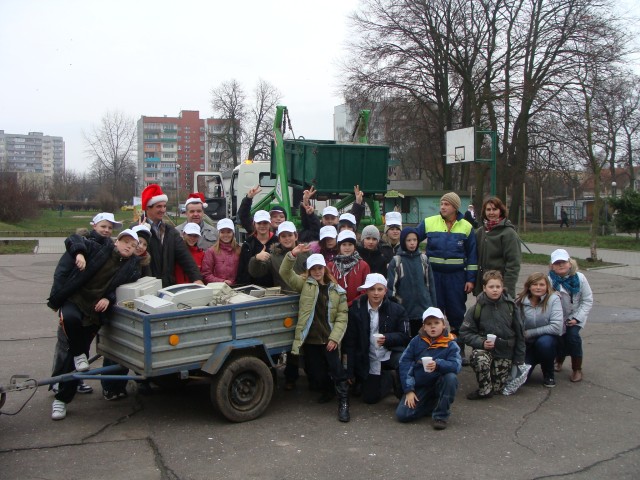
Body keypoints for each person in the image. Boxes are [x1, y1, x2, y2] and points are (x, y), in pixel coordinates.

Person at [46, 229, 141, 420]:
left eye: (132, 246)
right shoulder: (100, 249)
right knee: (71, 329)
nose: (128, 247)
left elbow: (123, 290)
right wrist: (79, 253)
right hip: (76, 299)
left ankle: (63, 396)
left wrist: (108, 297)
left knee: (73, 359)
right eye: (125, 242)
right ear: (116, 242)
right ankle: (62, 397)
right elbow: (73, 239)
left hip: (95, 312)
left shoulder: (133, 267)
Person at [49, 212, 124, 396]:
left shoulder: (110, 249)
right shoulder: (81, 244)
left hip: (90, 307)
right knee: (65, 345)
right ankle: (58, 381)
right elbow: (62, 272)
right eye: (103, 226)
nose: (106, 230)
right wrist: (60, 299)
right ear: (94, 226)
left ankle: (76, 381)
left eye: (109, 227)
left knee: (82, 345)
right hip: (73, 302)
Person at [279, 245, 350, 422]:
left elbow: (342, 317)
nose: (317, 271)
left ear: (324, 268)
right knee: (317, 373)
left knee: (337, 370)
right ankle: (327, 391)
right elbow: (285, 272)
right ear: (309, 270)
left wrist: (335, 338)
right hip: (311, 339)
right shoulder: (304, 285)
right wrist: (293, 254)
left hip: (328, 338)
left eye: (320, 268)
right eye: (313, 269)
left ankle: (343, 402)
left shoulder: (336, 290)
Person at [249, 220, 311, 390]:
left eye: (289, 235)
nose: (286, 239)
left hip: (303, 300)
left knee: (297, 341)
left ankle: (292, 376)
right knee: (277, 339)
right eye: (283, 236)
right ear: (279, 237)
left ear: (296, 236)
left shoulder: (306, 254)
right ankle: (273, 376)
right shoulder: (273, 254)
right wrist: (256, 259)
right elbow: (256, 272)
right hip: (282, 301)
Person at [416, 192, 477, 358]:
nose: (442, 207)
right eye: (441, 204)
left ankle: (458, 348)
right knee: (433, 312)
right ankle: (433, 347)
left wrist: (470, 279)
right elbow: (412, 239)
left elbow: (472, 256)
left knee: (456, 313)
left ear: (455, 207)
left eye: (446, 204)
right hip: (434, 276)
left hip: (456, 277)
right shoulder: (429, 222)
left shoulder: (466, 227)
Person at [343, 274, 410, 404]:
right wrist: (349, 371)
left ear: (385, 290)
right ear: (366, 291)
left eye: (379, 289)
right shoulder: (355, 311)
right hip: (369, 356)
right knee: (370, 399)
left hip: (390, 353)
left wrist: (387, 338)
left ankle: (402, 388)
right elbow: (350, 342)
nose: (375, 293)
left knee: (403, 360)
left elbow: (405, 335)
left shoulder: (397, 309)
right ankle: (388, 380)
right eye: (372, 289)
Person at [459, 270, 525, 400]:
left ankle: (493, 383)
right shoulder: (477, 308)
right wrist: (481, 342)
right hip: (485, 351)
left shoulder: (511, 306)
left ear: (502, 287)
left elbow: (520, 334)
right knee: (479, 358)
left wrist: (519, 359)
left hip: (505, 352)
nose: (495, 290)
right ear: (484, 288)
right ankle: (484, 390)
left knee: (498, 389)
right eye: (491, 287)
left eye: (498, 287)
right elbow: (464, 332)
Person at [395, 307, 461, 430]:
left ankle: (441, 415)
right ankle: (431, 404)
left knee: (451, 378)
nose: (433, 327)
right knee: (402, 415)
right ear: (424, 327)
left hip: (438, 383)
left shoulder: (451, 343)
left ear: (443, 325)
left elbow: (456, 365)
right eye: (429, 324)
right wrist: (409, 389)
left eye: (436, 323)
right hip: (420, 385)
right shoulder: (416, 341)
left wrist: (438, 364)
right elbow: (405, 363)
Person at [141, 184, 203, 287]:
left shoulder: (170, 231)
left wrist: (196, 278)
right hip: (146, 286)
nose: (163, 210)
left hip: (167, 286)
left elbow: (185, 256)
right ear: (148, 208)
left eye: (164, 206)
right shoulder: (137, 230)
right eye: (159, 206)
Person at [549, 249, 593, 382]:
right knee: (560, 338)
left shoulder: (580, 278)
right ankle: (559, 360)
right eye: (557, 263)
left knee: (573, 337)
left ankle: (577, 368)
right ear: (552, 266)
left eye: (563, 262)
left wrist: (576, 318)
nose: (560, 265)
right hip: (557, 316)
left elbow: (587, 300)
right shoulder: (549, 280)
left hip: (575, 314)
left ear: (570, 263)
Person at [515, 272, 563, 388]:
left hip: (547, 341)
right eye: (534, 284)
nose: (538, 287)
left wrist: (530, 333)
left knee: (544, 343)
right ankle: (530, 361)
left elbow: (556, 327)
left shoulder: (553, 299)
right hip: (527, 344)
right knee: (520, 380)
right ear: (529, 286)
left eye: (541, 284)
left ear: (547, 286)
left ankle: (548, 373)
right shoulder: (519, 301)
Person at [387, 226, 437, 337]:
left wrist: (433, 306)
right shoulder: (396, 261)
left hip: (424, 310)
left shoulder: (423, 260)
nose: (412, 243)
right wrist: (398, 306)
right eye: (408, 240)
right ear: (403, 241)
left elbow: (430, 286)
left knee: (425, 341)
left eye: (414, 240)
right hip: (405, 311)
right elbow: (391, 289)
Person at [474, 197, 521, 298]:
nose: (491, 212)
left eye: (495, 209)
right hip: (483, 285)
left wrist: (507, 288)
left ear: (501, 211)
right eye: (488, 209)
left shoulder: (508, 233)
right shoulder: (480, 232)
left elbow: (513, 263)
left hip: (499, 285)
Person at [298, 185, 366, 242]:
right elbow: (308, 222)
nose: (330, 221)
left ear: (338, 219)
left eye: (333, 218)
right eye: (327, 218)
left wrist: (358, 202)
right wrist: (306, 203)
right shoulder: (316, 231)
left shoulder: (342, 231)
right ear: (322, 219)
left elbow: (353, 220)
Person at [328, 230, 370, 306]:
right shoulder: (331, 266)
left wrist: (350, 304)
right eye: (344, 244)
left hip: (357, 307)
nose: (347, 248)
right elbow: (329, 288)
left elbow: (365, 289)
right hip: (336, 307)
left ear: (354, 246)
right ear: (339, 246)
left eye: (350, 244)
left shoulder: (363, 265)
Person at [236, 210, 277, 287]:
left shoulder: (277, 241)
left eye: (265, 223)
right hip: (252, 287)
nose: (262, 226)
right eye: (259, 223)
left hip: (274, 287)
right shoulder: (248, 243)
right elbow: (243, 268)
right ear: (254, 224)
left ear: (270, 223)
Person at [201, 218, 240, 285]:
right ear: (218, 233)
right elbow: (206, 274)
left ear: (233, 233)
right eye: (222, 232)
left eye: (228, 232)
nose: (225, 235)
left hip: (237, 288)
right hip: (218, 289)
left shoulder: (239, 250)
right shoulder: (211, 251)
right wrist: (222, 282)